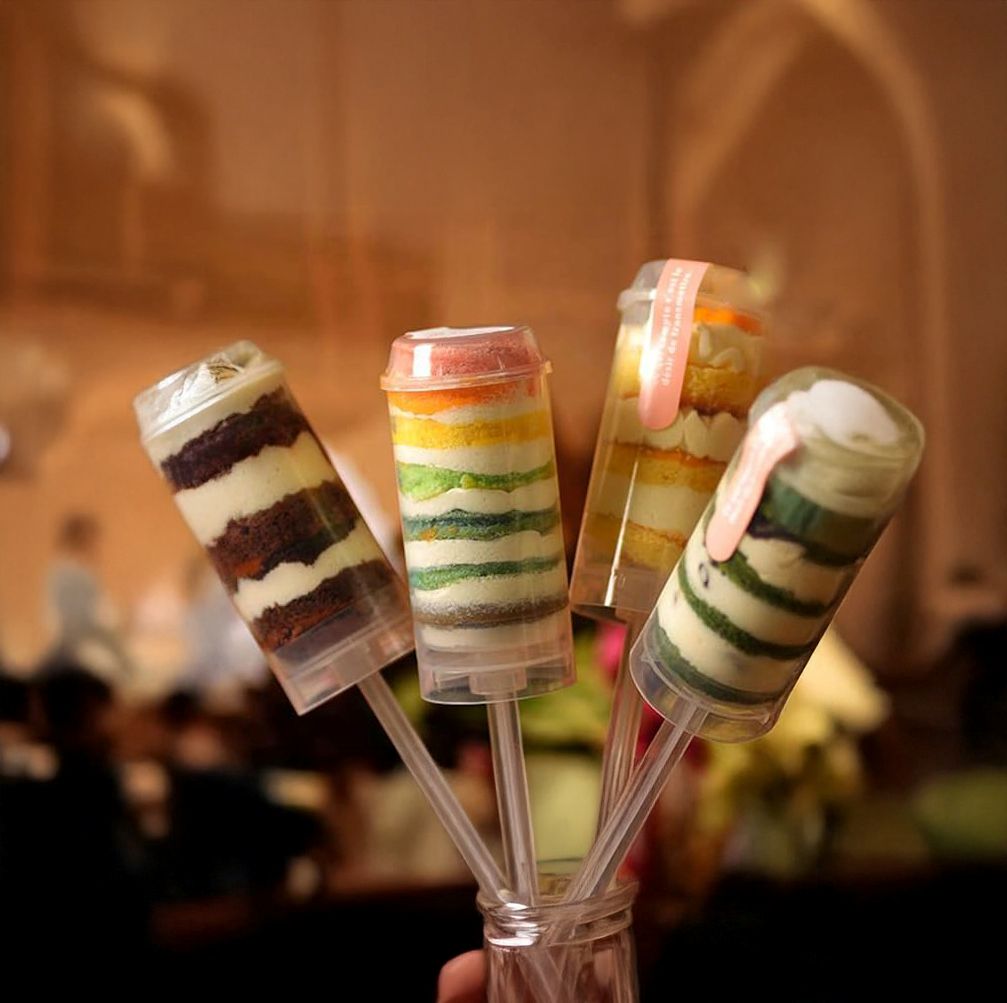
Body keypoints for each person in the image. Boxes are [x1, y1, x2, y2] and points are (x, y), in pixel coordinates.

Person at [43, 513, 135, 680]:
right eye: (92, 541)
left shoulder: (70, 570)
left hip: (79, 633)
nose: (96, 546)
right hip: (78, 633)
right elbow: (84, 612)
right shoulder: (71, 571)